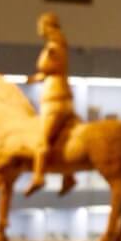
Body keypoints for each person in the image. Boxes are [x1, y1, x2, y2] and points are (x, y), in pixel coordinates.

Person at [24, 13, 77, 194]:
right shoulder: (56, 45)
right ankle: (68, 176)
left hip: (56, 98)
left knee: (41, 139)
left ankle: (38, 176)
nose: (39, 28)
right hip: (57, 94)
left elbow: (53, 67)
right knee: (61, 139)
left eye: (41, 24)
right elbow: (51, 70)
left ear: (47, 25)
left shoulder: (55, 46)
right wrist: (37, 77)